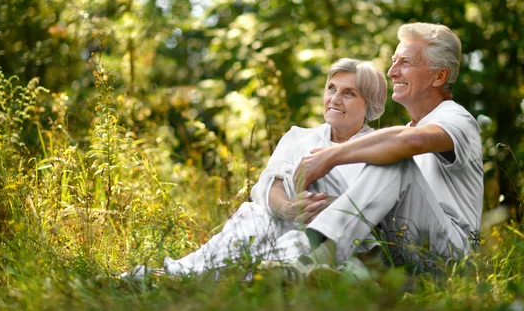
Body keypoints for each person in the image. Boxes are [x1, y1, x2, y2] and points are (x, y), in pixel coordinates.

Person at [124, 58, 387, 279]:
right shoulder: (298, 137)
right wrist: (287, 207)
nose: (335, 99)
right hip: (283, 222)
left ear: (370, 103)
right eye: (331, 88)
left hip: (335, 239)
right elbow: (270, 185)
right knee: (253, 214)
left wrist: (329, 205)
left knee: (298, 247)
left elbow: (378, 207)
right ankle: (178, 274)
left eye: (349, 93)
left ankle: (218, 279)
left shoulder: (380, 147)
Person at [291, 22, 483, 269]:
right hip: (403, 250)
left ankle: (311, 261)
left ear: (439, 76)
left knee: (394, 157)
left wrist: (331, 156)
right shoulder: (412, 127)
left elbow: (408, 142)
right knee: (333, 183)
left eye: (405, 62)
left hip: (452, 257)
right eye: (394, 61)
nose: (392, 71)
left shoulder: (457, 118)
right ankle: (309, 267)